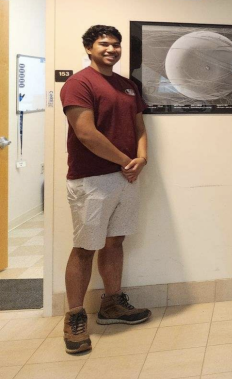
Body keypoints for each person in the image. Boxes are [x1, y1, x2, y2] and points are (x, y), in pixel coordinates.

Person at [60, 25, 152, 354]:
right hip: (92, 179)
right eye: (104, 44)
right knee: (85, 247)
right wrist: (126, 160)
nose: (111, 49)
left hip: (126, 177)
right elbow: (85, 133)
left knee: (115, 242)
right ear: (88, 48)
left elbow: (140, 126)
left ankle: (112, 304)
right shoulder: (79, 83)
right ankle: (74, 318)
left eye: (116, 44)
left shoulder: (127, 86)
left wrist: (141, 157)